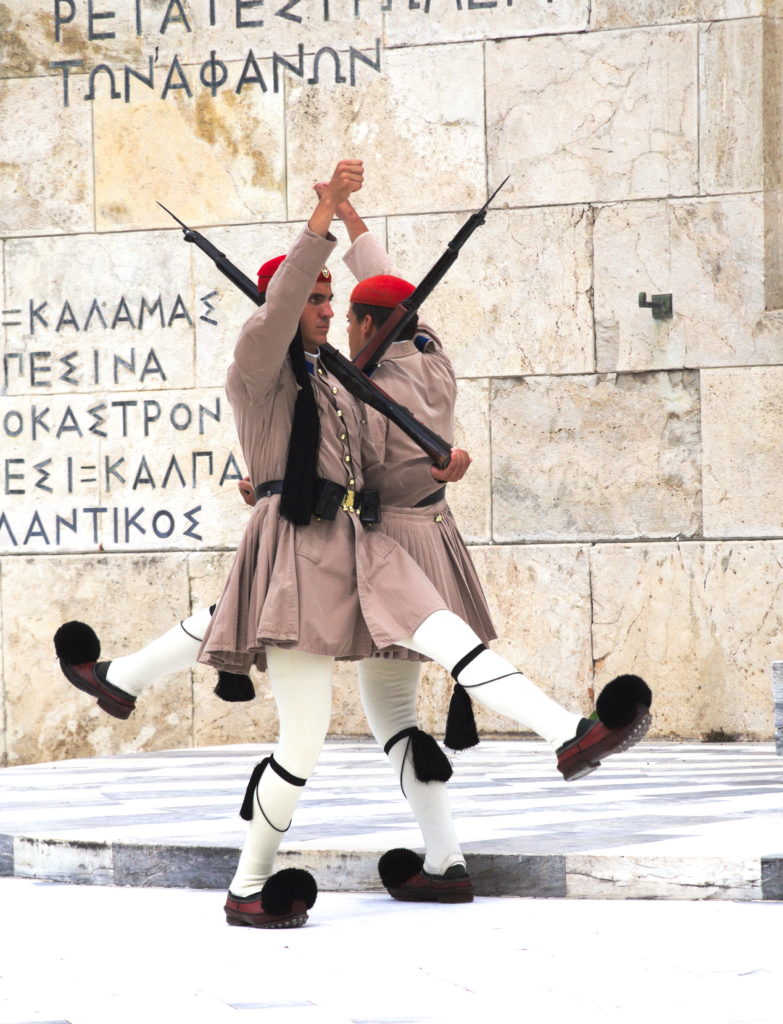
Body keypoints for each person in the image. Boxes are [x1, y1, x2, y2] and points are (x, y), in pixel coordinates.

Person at [57, 162, 652, 930]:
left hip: (357, 540)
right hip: (297, 559)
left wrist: (427, 463)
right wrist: (326, 221)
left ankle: (568, 736)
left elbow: (363, 429)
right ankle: (248, 884)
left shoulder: (333, 380)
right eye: (311, 297)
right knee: (301, 740)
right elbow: (274, 330)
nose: (324, 307)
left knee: (438, 651)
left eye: (330, 297)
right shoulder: (255, 365)